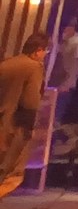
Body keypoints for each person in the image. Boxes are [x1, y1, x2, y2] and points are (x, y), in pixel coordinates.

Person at [0, 42, 41, 192]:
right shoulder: (34, 67)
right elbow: (31, 101)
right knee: (12, 172)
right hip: (15, 124)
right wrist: (29, 127)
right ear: (38, 51)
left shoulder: (6, 64)